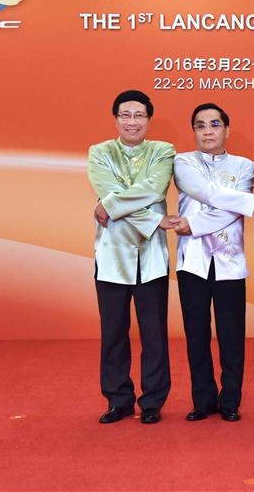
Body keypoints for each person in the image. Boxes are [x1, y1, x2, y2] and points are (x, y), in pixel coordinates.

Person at [172, 103, 254, 422]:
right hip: (193, 262)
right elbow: (206, 192)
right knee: (197, 334)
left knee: (232, 335)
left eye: (214, 124)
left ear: (226, 130)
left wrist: (195, 224)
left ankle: (230, 400)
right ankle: (203, 400)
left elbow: (231, 209)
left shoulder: (244, 166)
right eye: (200, 125)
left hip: (230, 262)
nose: (208, 131)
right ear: (194, 132)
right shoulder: (181, 162)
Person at [87, 89, 176, 424]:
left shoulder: (162, 151)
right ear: (116, 119)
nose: (132, 121)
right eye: (126, 115)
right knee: (113, 332)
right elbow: (107, 192)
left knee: (154, 333)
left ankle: (152, 400)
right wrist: (154, 219)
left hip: (151, 257)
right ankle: (118, 399)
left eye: (139, 115)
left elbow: (153, 190)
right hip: (111, 255)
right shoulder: (100, 152)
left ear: (148, 119)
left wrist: (110, 206)